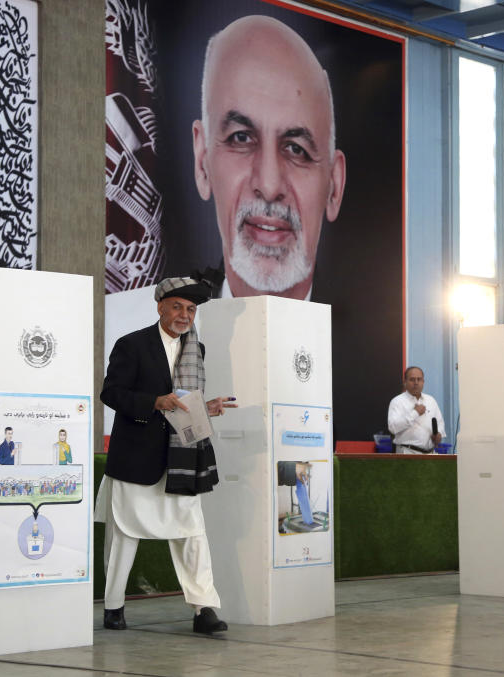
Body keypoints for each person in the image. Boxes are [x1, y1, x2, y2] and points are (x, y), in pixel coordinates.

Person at [96, 276, 237, 634]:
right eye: (177, 306)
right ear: (160, 306)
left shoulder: (196, 349)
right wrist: (152, 402)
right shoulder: (132, 344)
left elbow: (183, 405)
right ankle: (114, 606)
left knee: (192, 533)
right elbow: (111, 394)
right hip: (137, 458)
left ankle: (203, 609)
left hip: (183, 459)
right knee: (124, 535)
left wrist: (206, 408)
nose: (184, 315)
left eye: (190, 310)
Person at [191, 15, 346, 301]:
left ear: (334, 187)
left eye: (296, 148)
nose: (270, 184)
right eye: (241, 138)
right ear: (202, 162)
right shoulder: (150, 338)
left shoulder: (373, 342)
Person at [387, 366, 446, 454]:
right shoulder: (397, 402)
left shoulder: (431, 400)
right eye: (412, 379)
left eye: (419, 379)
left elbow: (440, 424)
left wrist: (439, 435)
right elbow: (393, 428)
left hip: (430, 454)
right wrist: (415, 413)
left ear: (423, 382)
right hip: (407, 452)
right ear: (405, 382)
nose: (416, 382)